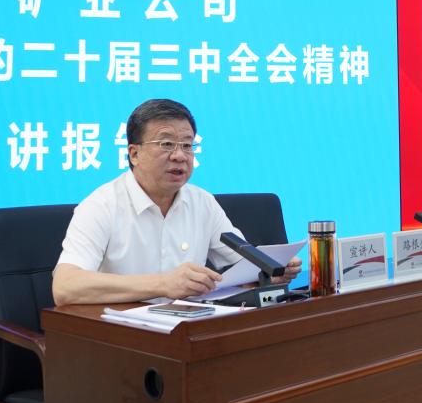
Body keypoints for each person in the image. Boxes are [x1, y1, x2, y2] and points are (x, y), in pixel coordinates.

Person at [52, 99, 302, 305]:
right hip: (122, 334)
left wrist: (269, 270)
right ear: (134, 154)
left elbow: (242, 266)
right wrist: (163, 284)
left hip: (189, 328)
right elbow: (65, 287)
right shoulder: (100, 205)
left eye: (187, 145)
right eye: (167, 144)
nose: (180, 156)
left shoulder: (202, 202)